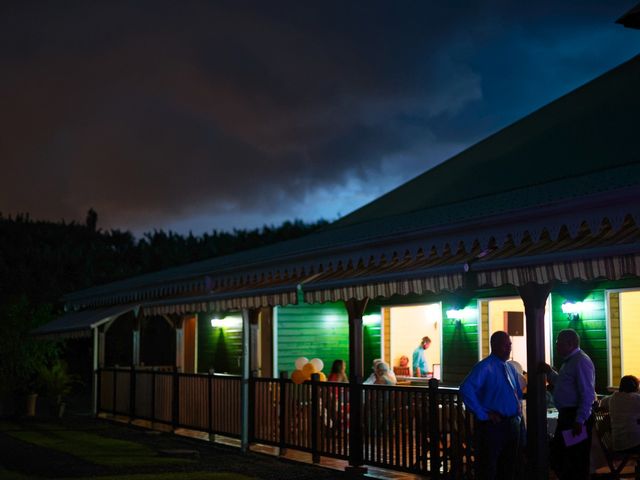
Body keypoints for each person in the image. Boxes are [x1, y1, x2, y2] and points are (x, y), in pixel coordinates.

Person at [460, 331, 523, 480]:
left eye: (509, 345)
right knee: (489, 467)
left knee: (509, 466)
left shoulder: (510, 368)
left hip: (512, 422)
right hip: (494, 424)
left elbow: (517, 392)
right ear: (494, 346)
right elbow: (466, 389)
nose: (508, 348)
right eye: (504, 345)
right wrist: (482, 414)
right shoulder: (484, 367)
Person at [542, 329, 596, 480]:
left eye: (559, 343)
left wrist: (579, 420)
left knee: (575, 460)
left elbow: (587, 394)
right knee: (562, 458)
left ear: (570, 344)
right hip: (568, 416)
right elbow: (563, 384)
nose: (557, 346)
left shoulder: (581, 361)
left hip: (575, 417)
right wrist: (549, 372)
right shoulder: (570, 362)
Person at [599, 375, 640, 452]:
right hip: (634, 443)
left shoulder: (612, 398)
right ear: (635, 387)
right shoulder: (636, 398)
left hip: (618, 443)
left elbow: (602, 403)